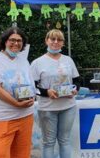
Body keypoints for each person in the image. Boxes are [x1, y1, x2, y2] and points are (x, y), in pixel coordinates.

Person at [0, 27, 35, 158]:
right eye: (12, 40)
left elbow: (30, 84)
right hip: (1, 118)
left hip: (25, 116)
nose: (16, 43)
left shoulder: (24, 61)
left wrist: (32, 98)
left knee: (22, 154)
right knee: (0, 155)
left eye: (19, 41)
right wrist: (16, 103)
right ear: (4, 41)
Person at [31, 29, 80, 158]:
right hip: (47, 108)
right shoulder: (37, 63)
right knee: (49, 142)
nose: (56, 42)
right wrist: (46, 92)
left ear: (63, 43)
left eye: (59, 40)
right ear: (46, 41)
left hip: (68, 106)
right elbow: (32, 88)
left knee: (65, 141)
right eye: (52, 39)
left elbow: (76, 81)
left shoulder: (68, 60)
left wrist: (75, 90)